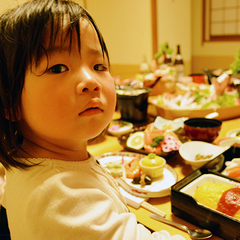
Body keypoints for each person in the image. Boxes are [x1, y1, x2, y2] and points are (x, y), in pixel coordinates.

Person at [0, 0, 186, 239]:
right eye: (57, 68)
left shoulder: (43, 157)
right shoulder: (60, 201)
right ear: (10, 103)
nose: (91, 81)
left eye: (99, 65)